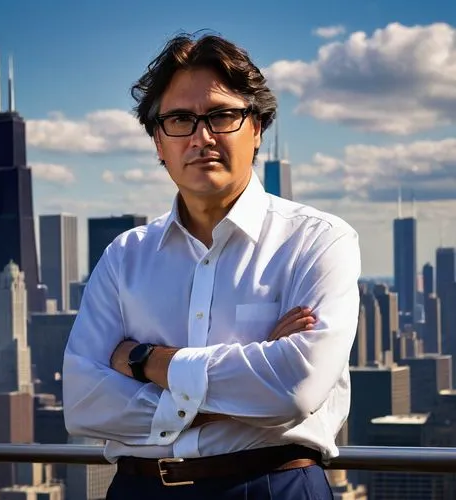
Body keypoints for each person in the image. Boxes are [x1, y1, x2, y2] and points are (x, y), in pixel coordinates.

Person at [63, 32, 361, 500]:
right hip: (139, 490)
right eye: (180, 119)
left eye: (222, 115)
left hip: (272, 485)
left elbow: (296, 389)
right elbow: (83, 403)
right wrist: (247, 385)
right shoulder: (125, 255)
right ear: (158, 142)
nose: (202, 137)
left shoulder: (318, 241)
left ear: (257, 128)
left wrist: (145, 362)